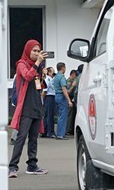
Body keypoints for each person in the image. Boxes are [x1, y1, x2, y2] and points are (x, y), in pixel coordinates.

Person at [8, 39, 49, 178]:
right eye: (34, 51)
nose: (37, 54)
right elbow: (27, 76)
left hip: (37, 106)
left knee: (34, 138)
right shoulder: (21, 64)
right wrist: (37, 64)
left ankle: (32, 165)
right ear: (28, 51)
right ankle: (12, 167)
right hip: (26, 107)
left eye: (39, 51)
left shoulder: (36, 67)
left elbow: (39, 86)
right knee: (21, 137)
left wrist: (42, 75)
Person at [53, 62, 72, 140]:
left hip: (57, 96)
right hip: (62, 97)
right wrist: (69, 100)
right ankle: (61, 134)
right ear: (63, 68)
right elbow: (64, 89)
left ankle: (60, 133)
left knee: (60, 115)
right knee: (63, 116)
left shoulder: (56, 77)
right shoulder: (62, 77)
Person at [41, 67, 56, 138]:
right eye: (53, 72)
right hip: (48, 97)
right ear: (49, 73)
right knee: (49, 115)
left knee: (49, 115)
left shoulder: (51, 79)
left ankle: (46, 131)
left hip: (51, 97)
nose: (54, 73)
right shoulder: (47, 79)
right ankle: (49, 132)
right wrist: (41, 100)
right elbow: (45, 90)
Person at [66, 69, 78, 135]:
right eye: (75, 75)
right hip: (69, 98)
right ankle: (67, 130)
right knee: (69, 115)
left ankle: (70, 129)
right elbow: (68, 91)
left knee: (72, 115)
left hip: (72, 98)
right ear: (72, 74)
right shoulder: (69, 81)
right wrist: (73, 86)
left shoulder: (73, 80)